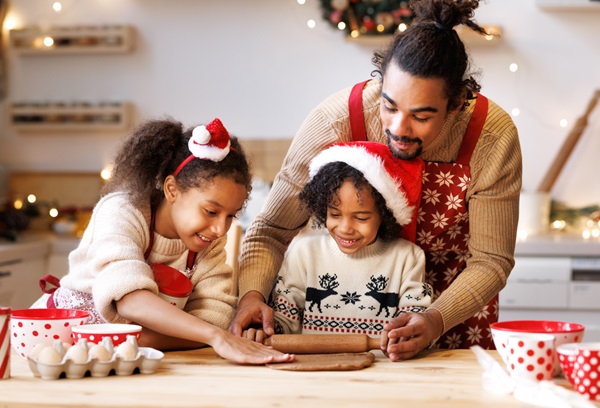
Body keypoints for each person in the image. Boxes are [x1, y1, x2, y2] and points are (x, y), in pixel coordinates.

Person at [229, 0, 522, 361]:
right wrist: (252, 296)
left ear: (457, 102)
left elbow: (491, 260)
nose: (398, 128)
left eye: (421, 116)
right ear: (380, 82)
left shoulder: (491, 137)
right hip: (343, 325)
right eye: (390, 106)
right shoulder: (335, 121)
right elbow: (271, 230)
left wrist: (435, 318)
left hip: (456, 313)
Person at [40, 117, 294, 365]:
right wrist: (212, 336)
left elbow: (215, 315)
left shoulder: (208, 243)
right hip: (56, 342)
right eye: (211, 211)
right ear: (172, 189)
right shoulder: (122, 211)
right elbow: (130, 299)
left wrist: (137, 340)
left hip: (130, 355)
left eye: (231, 215)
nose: (220, 229)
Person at [243, 142, 432, 348]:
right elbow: (284, 321)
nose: (345, 228)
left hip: (382, 370)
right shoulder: (304, 252)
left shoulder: (408, 258)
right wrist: (264, 330)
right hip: (313, 371)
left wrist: (408, 337)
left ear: (385, 215)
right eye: (334, 214)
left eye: (360, 218)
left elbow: (413, 321)